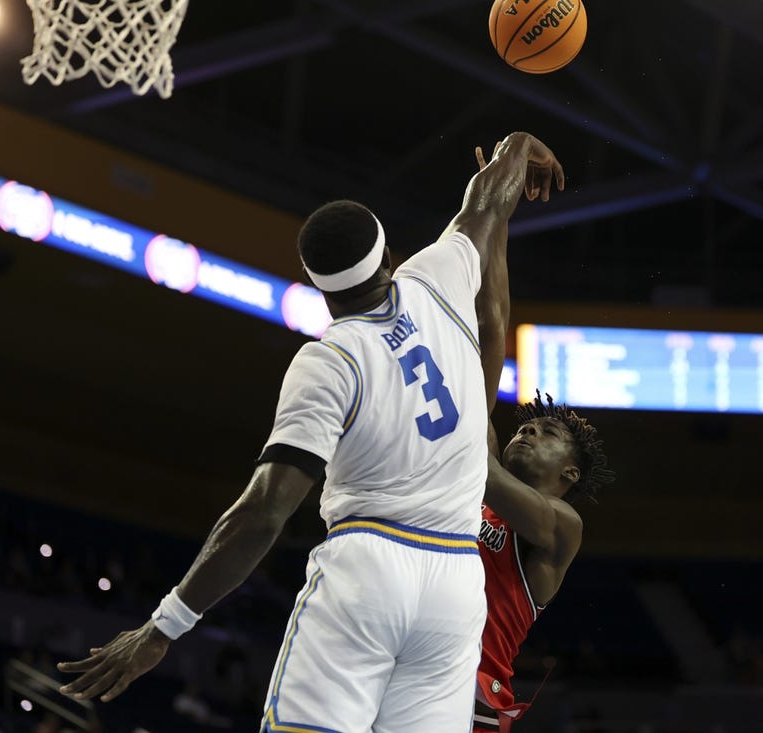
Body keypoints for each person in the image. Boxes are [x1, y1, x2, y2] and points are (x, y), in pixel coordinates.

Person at [57, 131, 566, 733]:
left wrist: (163, 625)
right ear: (388, 256)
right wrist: (522, 145)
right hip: (456, 586)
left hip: (369, 570)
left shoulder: (331, 360)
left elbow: (263, 513)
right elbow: (487, 200)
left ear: (321, 289)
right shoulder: (436, 277)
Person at [469, 144, 614, 733]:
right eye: (526, 424)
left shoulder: (560, 527)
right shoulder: (476, 471)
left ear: (569, 475)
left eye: (547, 432)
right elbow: (491, 325)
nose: (527, 428)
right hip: (402, 659)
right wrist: (493, 213)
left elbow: (475, 466)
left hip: (469, 693)